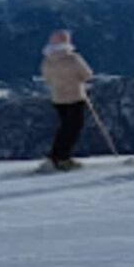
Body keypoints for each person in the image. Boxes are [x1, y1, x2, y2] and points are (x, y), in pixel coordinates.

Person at [40, 29, 94, 171]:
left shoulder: (47, 60)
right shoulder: (73, 58)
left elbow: (47, 79)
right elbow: (88, 75)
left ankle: (56, 156)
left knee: (64, 127)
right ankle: (63, 158)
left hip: (58, 98)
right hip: (75, 96)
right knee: (73, 128)